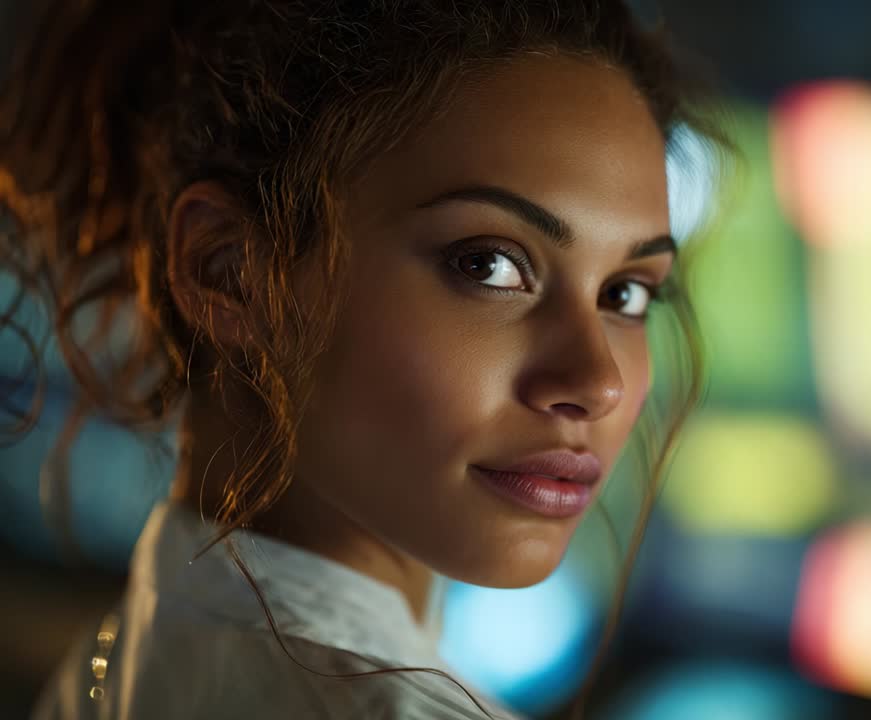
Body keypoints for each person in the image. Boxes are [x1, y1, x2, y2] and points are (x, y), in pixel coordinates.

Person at [0, 1, 720, 717]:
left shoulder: (109, 672)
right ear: (230, 270)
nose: (596, 382)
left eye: (625, 292)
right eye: (489, 265)